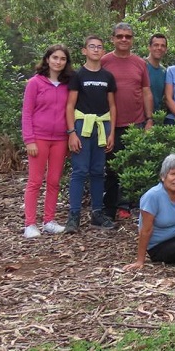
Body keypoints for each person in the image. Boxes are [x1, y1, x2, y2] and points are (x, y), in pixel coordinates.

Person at [101, 23, 154, 221]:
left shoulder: (140, 63)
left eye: (128, 37)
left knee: (131, 167)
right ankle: (108, 208)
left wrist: (149, 120)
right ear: (113, 38)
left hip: (136, 123)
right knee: (111, 167)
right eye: (120, 36)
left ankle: (126, 206)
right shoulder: (104, 61)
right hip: (109, 123)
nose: (124, 40)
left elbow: (146, 91)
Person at [65, 35, 117, 233]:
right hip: (81, 126)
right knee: (79, 171)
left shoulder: (107, 77)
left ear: (103, 51)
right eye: (92, 47)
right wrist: (71, 132)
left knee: (98, 171)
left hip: (102, 127)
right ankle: (74, 215)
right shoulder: (78, 76)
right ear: (84, 51)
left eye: (99, 47)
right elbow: (70, 105)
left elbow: (112, 106)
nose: (96, 50)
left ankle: (97, 213)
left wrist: (111, 132)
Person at [21, 44, 74, 238]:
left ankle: (49, 221)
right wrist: (29, 140)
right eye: (55, 58)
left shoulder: (68, 84)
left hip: (60, 139)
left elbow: (71, 112)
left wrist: (69, 138)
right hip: (38, 138)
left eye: (62, 59)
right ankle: (30, 224)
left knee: (54, 181)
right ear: (47, 59)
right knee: (35, 181)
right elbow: (26, 113)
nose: (58, 62)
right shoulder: (35, 83)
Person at [146, 34, 168, 112]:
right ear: (149, 47)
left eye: (162, 46)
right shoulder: (141, 66)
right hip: (139, 117)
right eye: (156, 45)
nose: (159, 48)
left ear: (166, 49)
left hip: (157, 117)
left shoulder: (164, 71)